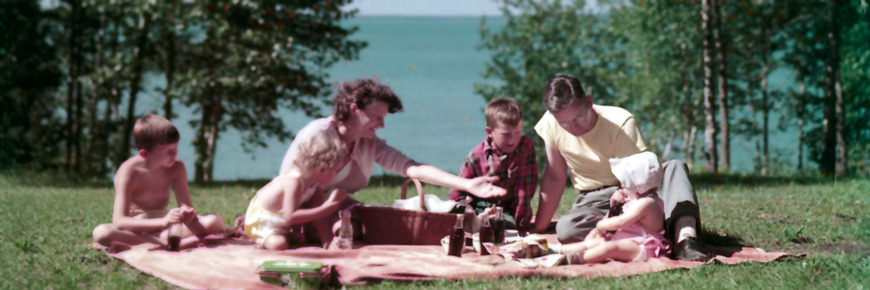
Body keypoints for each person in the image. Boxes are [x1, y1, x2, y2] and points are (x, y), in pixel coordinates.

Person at [277, 79, 507, 243]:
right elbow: (289, 184)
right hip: (303, 212)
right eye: (377, 117)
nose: (382, 125)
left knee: (375, 224)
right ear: (354, 109)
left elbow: (411, 168)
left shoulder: (368, 142)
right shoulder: (315, 135)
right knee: (351, 229)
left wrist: (465, 185)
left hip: (338, 211)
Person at [531, 75, 708, 261]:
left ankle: (686, 240)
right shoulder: (550, 123)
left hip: (636, 189)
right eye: (564, 123)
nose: (573, 127)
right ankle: (650, 230)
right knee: (567, 229)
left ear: (589, 102)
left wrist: (626, 200)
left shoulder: (620, 121)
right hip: (594, 199)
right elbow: (554, 176)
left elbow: (639, 176)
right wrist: (539, 228)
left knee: (675, 167)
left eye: (578, 118)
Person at [92, 115, 224, 250]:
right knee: (102, 233)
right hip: (136, 228)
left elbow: (186, 205)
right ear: (145, 154)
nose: (175, 154)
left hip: (166, 229)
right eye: (168, 151)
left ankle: (160, 242)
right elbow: (120, 222)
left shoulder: (177, 167)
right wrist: (163, 221)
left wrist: (187, 214)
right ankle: (168, 243)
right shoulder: (129, 171)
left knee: (215, 221)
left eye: (176, 148)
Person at [520, 152, 669, 264]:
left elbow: (619, 223)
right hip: (627, 240)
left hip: (643, 247)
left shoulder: (648, 203)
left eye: (624, 183)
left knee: (609, 249)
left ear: (637, 185)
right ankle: (553, 250)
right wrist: (613, 208)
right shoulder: (634, 198)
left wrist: (599, 226)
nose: (621, 186)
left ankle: (573, 259)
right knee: (593, 243)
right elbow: (612, 219)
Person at [244, 130, 350, 250]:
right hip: (263, 222)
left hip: (280, 220)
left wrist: (327, 241)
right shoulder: (294, 182)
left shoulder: (313, 185)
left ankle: (319, 241)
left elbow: (318, 214)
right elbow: (290, 217)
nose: (336, 176)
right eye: (335, 171)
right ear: (322, 169)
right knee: (279, 244)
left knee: (308, 233)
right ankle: (275, 238)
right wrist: (326, 209)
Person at [449, 97, 537, 231]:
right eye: (506, 135)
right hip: (479, 207)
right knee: (484, 224)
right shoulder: (475, 156)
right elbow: (457, 193)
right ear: (489, 132)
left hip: (510, 211)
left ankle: (489, 226)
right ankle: (478, 224)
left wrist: (521, 225)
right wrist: (466, 214)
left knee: (502, 224)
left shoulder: (525, 147)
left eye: (518, 133)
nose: (512, 140)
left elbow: (524, 190)